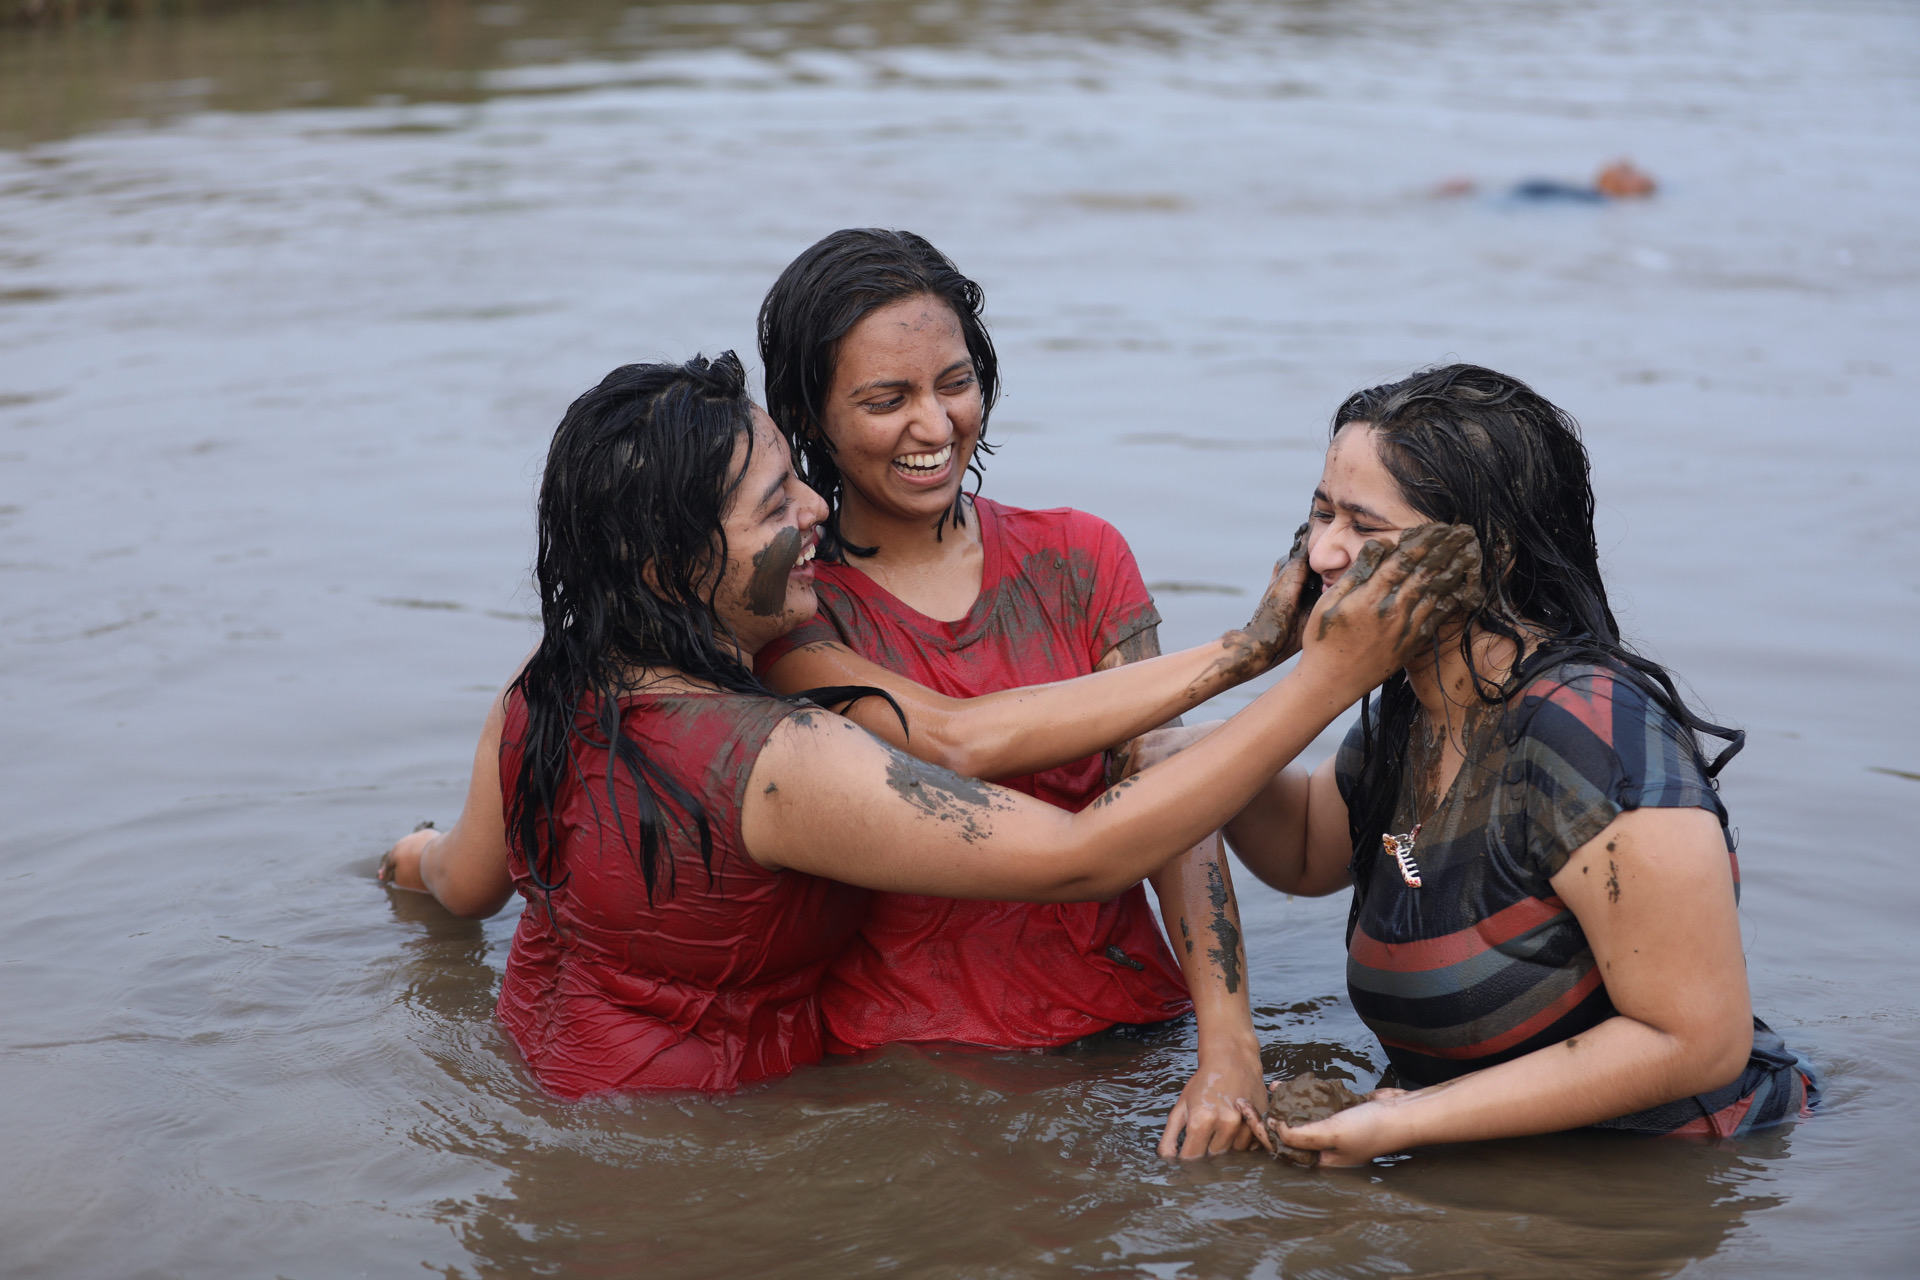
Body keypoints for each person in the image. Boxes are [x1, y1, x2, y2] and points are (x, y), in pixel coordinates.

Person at [378, 350, 1482, 1101]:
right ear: (674, 567)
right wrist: (1328, 673)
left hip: (537, 1080)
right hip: (702, 1140)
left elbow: (469, 883)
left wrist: (404, 858)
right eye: (776, 503)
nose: (813, 509)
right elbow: (1079, 854)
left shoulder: (543, 687)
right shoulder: (780, 757)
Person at [1143, 364, 1813, 1164]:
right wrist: (1201, 739)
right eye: (1321, 513)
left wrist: (1404, 1121)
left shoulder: (1590, 734)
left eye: (1365, 527)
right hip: (1492, 1152)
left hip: (1672, 1169)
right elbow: (1306, 851)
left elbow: (1696, 1041)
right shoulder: (1417, 704)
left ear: (1487, 555)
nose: (1322, 552)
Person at [753, 228, 1270, 1159]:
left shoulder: (1081, 557)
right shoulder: (791, 611)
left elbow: (1170, 787)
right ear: (809, 417)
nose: (935, 425)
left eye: (955, 384)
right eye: (886, 399)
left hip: (1130, 1038)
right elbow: (952, 744)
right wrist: (1266, 652)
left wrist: (1228, 1045)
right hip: (904, 1075)